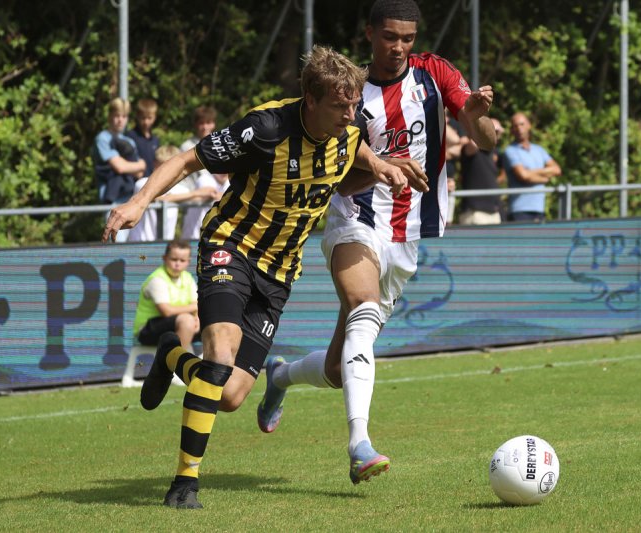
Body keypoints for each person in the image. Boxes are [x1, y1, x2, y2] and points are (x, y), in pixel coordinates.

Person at [101, 45, 426, 509]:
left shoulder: (348, 130)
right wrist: (138, 202)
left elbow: (357, 155)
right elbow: (188, 160)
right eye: (340, 105)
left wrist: (382, 168)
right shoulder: (266, 128)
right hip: (231, 246)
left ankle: (171, 355)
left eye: (354, 105)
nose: (350, 115)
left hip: (279, 273)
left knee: (231, 394)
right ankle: (185, 483)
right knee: (219, 352)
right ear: (310, 100)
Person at [256, 0, 495, 486]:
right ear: (370, 34)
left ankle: (279, 375)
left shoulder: (435, 74)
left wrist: (474, 118)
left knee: (336, 368)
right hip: (355, 220)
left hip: (408, 235)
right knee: (363, 309)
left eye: (407, 38)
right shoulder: (349, 95)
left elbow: (487, 141)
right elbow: (340, 181)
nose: (399, 47)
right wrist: (383, 169)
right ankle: (359, 446)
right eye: (390, 37)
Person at [127, 145, 219, 242]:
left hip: (165, 243)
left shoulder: (181, 189)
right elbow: (158, 198)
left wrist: (210, 194)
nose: (165, 171)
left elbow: (198, 200)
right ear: (154, 163)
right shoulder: (142, 183)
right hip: (139, 242)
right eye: (161, 165)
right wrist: (196, 193)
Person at [92, 98, 146, 242]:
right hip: (113, 202)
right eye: (117, 115)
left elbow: (140, 173)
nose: (120, 120)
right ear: (109, 116)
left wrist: (138, 167)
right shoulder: (103, 138)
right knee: (116, 245)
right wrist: (139, 164)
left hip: (131, 201)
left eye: (124, 116)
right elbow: (120, 167)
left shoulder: (129, 141)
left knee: (135, 246)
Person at [133, 239, 200, 350]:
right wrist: (194, 309)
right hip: (146, 330)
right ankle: (177, 360)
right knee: (187, 321)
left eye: (182, 260)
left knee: (215, 321)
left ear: (188, 262)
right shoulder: (157, 279)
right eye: (174, 259)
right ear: (164, 258)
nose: (177, 264)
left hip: (176, 324)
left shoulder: (188, 278)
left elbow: (196, 305)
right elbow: (166, 311)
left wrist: (197, 318)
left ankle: (212, 360)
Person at [179, 106, 230, 240]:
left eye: (208, 122)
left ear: (213, 124)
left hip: (217, 195)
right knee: (204, 182)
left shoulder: (221, 143)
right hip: (196, 196)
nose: (205, 127)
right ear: (196, 124)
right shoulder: (187, 146)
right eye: (201, 123)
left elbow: (225, 173)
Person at [501, 112, 561, 223]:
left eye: (522, 124)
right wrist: (544, 179)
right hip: (519, 211)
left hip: (539, 210)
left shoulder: (539, 150)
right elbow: (523, 176)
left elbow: (557, 170)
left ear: (529, 125)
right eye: (515, 126)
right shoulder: (510, 151)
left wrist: (531, 173)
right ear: (512, 130)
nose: (519, 129)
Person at [457, 117, 506, 225]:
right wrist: (479, 126)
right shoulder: (471, 148)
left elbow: (503, 173)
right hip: (475, 212)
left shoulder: (496, 153)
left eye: (497, 132)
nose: (495, 135)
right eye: (493, 131)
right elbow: (473, 144)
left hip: (494, 211)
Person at [126, 98, 161, 178]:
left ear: (155, 117)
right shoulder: (130, 137)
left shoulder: (155, 140)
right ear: (137, 116)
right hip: (135, 182)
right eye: (143, 118)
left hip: (152, 181)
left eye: (149, 118)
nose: (146, 122)